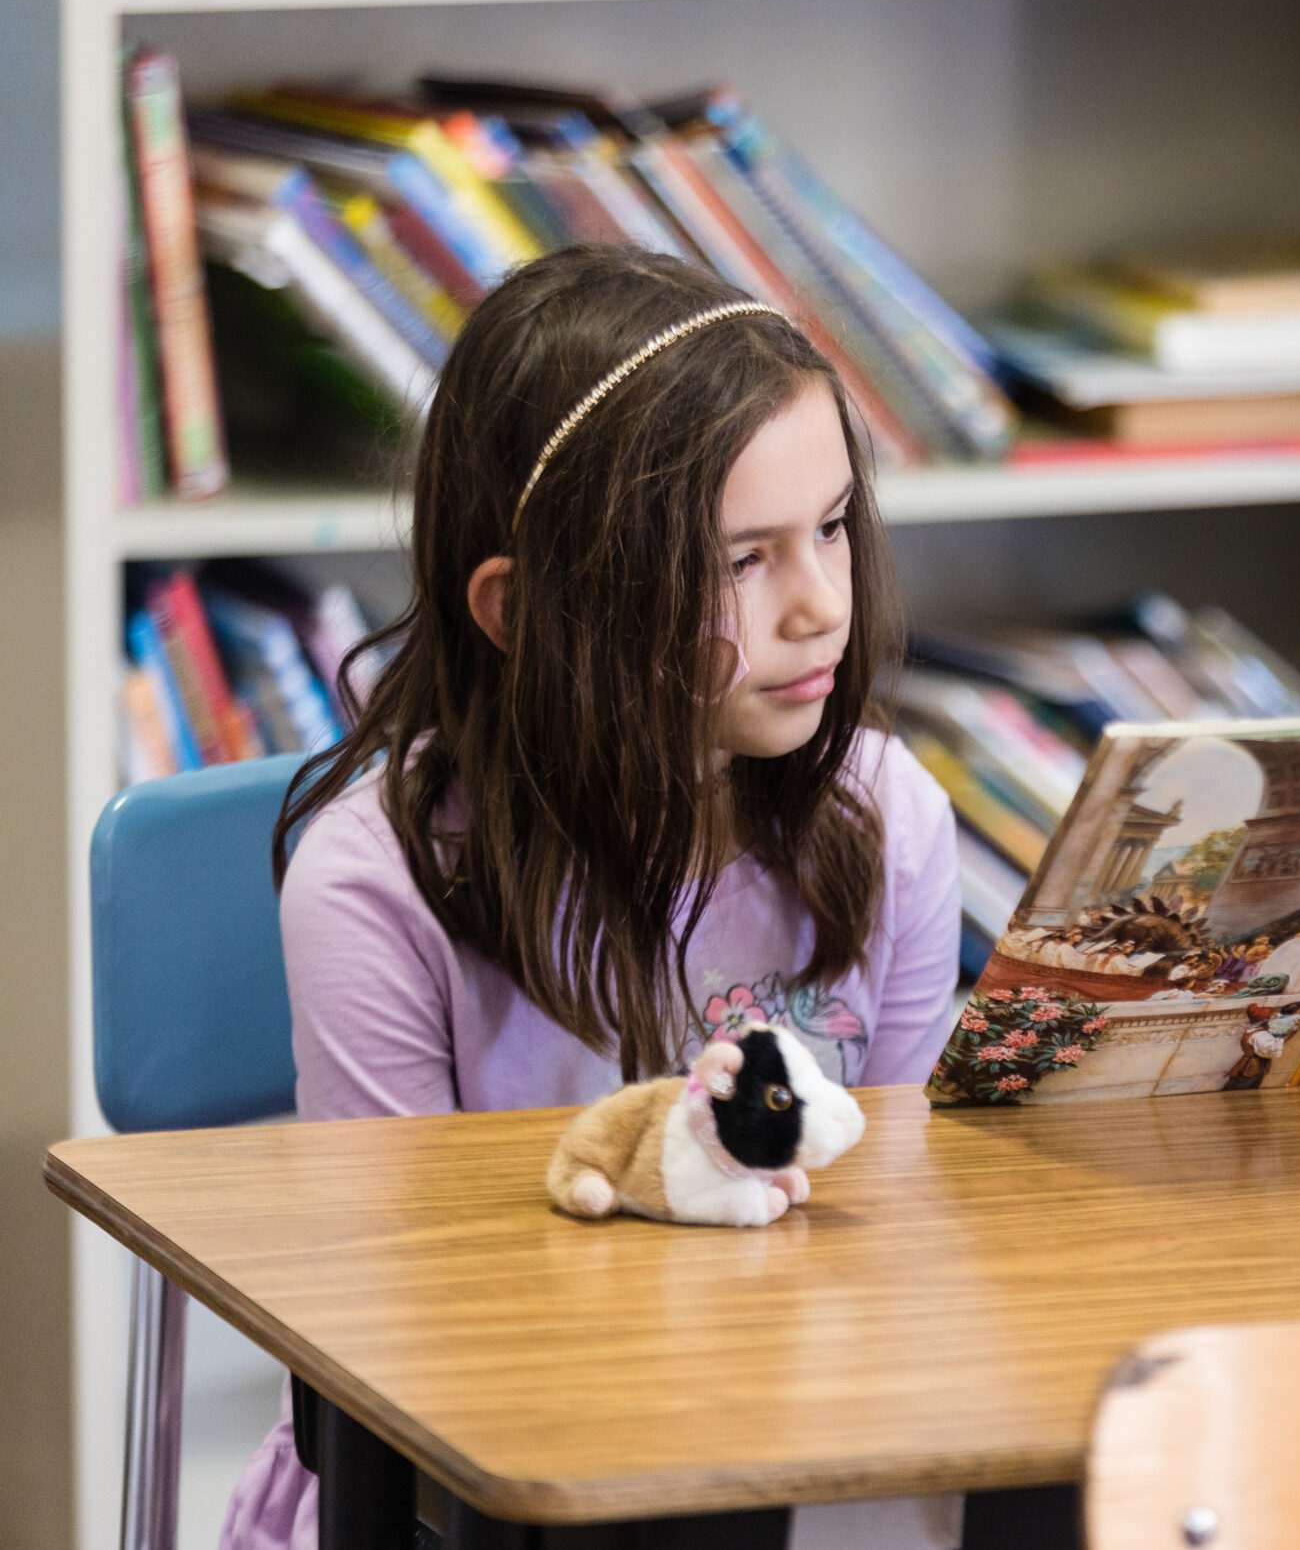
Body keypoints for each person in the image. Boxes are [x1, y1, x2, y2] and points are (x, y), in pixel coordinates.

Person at [222, 246, 962, 1550]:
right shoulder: (378, 880)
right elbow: (409, 1331)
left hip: (794, 1445)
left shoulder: (888, 816)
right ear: (522, 604)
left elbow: (894, 1213)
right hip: (472, 1484)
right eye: (743, 557)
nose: (821, 605)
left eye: (834, 526)